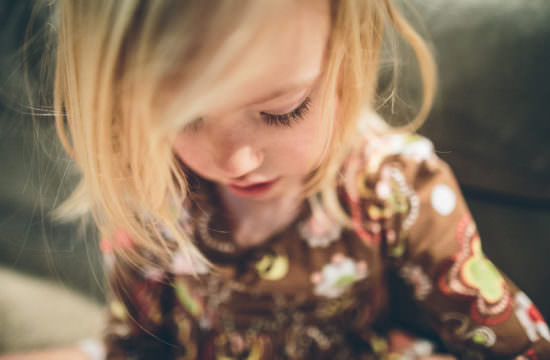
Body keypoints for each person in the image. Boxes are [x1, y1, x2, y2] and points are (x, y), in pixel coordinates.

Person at [6, 0, 550, 359]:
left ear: (347, 58)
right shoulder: (153, 193)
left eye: (284, 111)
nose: (237, 161)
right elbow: (135, 346)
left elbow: (515, 343)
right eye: (183, 119)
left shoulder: (397, 187)